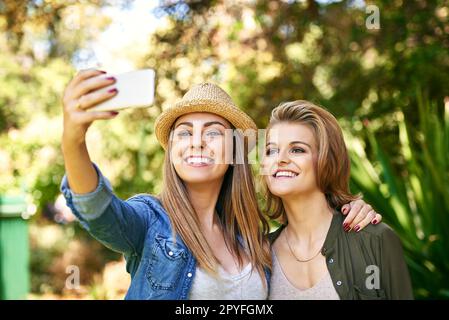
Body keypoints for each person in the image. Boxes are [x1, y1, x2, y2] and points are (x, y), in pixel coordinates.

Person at [60, 69, 379, 299]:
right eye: (184, 132)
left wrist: (349, 209)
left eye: (213, 132)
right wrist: (73, 141)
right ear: (172, 150)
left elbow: (311, 235)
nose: (197, 142)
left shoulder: (253, 237)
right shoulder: (150, 222)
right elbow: (98, 211)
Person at [262, 100, 413, 300]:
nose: (279, 159)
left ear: (327, 159)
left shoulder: (376, 240)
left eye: (297, 149)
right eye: (271, 150)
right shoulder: (259, 256)